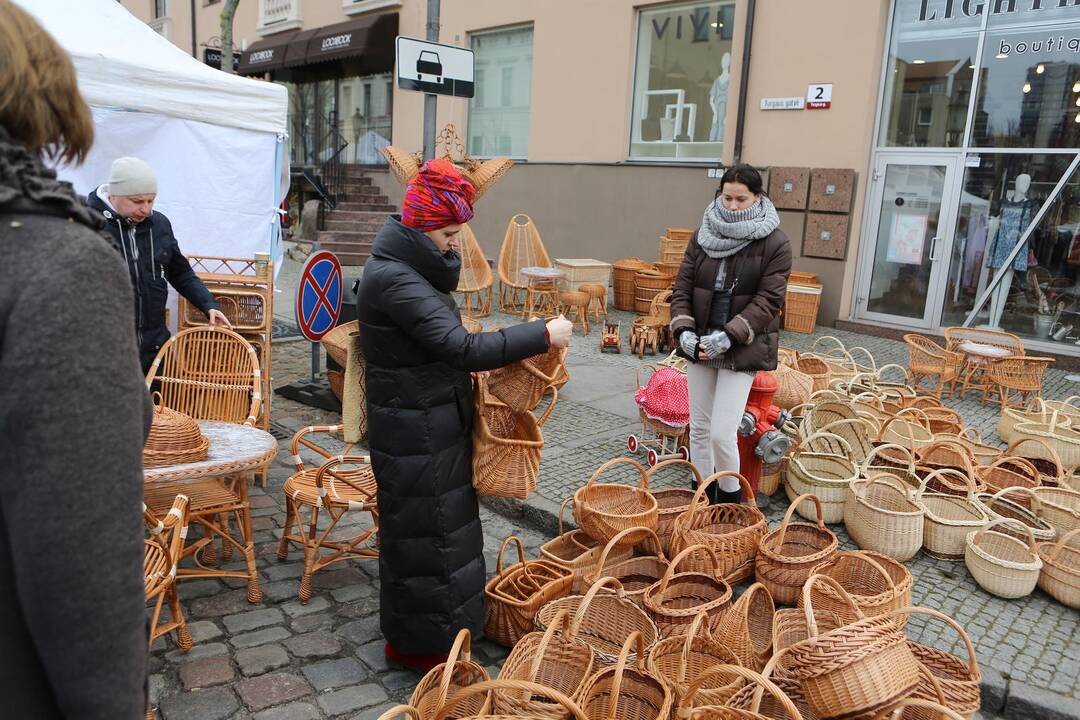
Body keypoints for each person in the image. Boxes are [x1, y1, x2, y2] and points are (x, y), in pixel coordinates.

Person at [357, 158, 573, 671]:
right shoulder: (395, 279)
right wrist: (540, 334)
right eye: (450, 232)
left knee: (441, 537)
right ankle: (426, 652)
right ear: (424, 225)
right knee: (427, 540)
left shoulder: (408, 270)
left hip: (427, 424)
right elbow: (461, 347)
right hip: (416, 433)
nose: (456, 243)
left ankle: (445, 637)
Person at [0, 1, 151, 716]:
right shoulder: (59, 261)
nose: (148, 210)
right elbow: (80, 567)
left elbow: (175, 268)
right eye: (138, 200)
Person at [670, 164, 792, 504]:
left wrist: (728, 336)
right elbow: (682, 288)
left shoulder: (775, 242)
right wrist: (684, 331)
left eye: (741, 199)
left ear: (758, 197)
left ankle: (731, 499)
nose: (732, 206)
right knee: (700, 428)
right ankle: (702, 495)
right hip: (699, 344)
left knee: (724, 433)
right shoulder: (702, 234)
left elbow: (769, 300)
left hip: (743, 347)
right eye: (727, 198)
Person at [87, 156, 231, 374]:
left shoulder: (159, 224)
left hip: (154, 348)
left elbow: (180, 272)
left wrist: (208, 304)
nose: (146, 209)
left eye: (151, 201)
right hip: (105, 349)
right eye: (137, 201)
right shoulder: (88, 224)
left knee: (155, 407)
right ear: (114, 195)